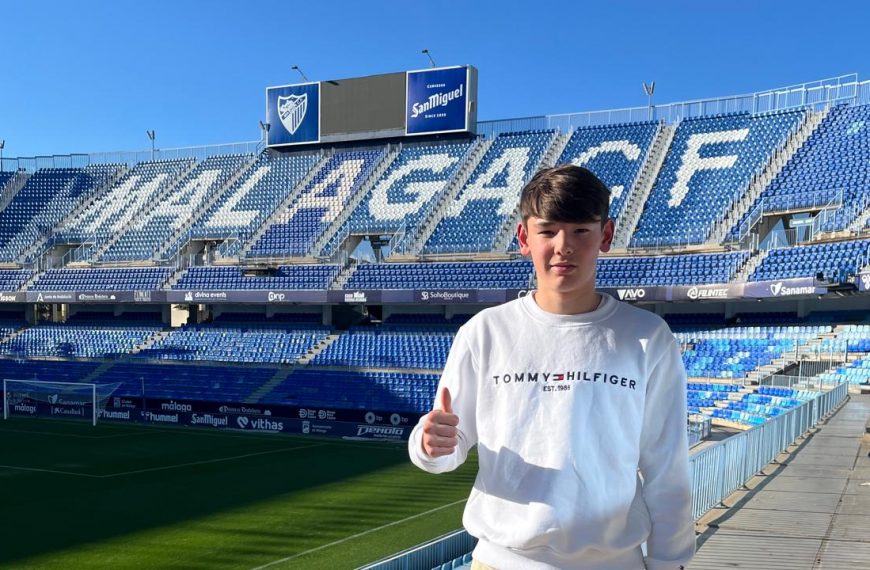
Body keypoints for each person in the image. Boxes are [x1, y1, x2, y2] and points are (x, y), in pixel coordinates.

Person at [408, 165, 695, 570]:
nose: (564, 246)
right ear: (525, 238)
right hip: (501, 561)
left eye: (581, 230)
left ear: (606, 236)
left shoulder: (647, 337)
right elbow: (446, 447)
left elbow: (667, 468)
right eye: (548, 231)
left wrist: (671, 562)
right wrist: (429, 444)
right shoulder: (485, 332)